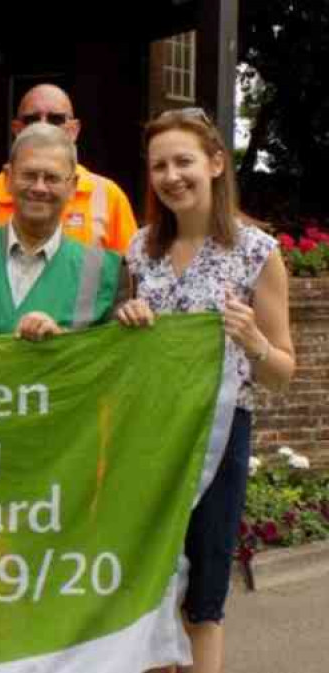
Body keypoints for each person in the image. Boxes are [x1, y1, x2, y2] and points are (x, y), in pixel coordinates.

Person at [116, 108, 295, 673]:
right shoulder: (139, 249)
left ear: (216, 163)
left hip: (217, 441)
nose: (172, 176)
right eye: (160, 165)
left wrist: (253, 342)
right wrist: (128, 316)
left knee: (204, 601)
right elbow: (123, 356)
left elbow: (282, 372)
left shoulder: (256, 252)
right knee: (147, 592)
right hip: (148, 437)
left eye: (184, 161)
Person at [0, 122, 127, 338]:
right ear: (7, 178)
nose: (39, 187)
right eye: (29, 175)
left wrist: (61, 342)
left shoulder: (104, 272)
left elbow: (111, 362)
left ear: (72, 187)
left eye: (52, 178)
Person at [0, 83, 137, 253]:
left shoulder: (108, 196)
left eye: (56, 119)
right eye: (32, 119)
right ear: (16, 129)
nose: (43, 126)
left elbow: (129, 278)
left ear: (74, 130)